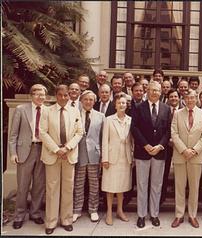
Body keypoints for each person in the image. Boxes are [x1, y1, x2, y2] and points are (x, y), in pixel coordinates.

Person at [40, 84, 83, 235]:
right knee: (52, 189)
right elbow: (42, 133)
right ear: (56, 95)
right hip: (52, 154)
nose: (64, 98)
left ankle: (66, 220)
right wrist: (57, 149)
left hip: (69, 154)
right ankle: (51, 222)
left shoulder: (75, 111)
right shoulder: (47, 111)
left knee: (68, 188)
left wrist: (67, 148)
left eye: (66, 95)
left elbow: (79, 132)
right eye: (61, 95)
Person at [131, 81, 171, 228]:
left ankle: (154, 214)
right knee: (142, 185)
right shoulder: (138, 107)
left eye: (158, 90)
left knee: (156, 185)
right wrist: (146, 145)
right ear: (147, 90)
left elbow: (168, 130)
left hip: (159, 153)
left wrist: (160, 145)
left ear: (161, 92)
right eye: (152, 90)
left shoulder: (167, 109)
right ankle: (141, 215)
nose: (155, 92)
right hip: (143, 152)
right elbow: (134, 128)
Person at [9, 84, 48, 230]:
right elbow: (13, 135)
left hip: (42, 150)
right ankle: (19, 215)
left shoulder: (48, 111)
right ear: (32, 95)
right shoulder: (21, 109)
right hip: (25, 151)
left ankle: (35, 213)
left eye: (43, 94)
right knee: (23, 186)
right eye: (37, 94)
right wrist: (13, 153)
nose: (40, 97)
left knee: (39, 185)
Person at [171, 89, 202, 228]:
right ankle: (179, 215)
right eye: (187, 98)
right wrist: (184, 150)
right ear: (184, 99)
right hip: (180, 156)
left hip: (196, 157)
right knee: (179, 187)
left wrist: (194, 150)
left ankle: (192, 215)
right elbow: (174, 134)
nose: (190, 100)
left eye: (192, 98)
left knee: (194, 188)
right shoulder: (177, 114)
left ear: (196, 99)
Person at [73, 90, 105, 223]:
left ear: (94, 101)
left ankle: (93, 210)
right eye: (85, 99)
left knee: (94, 184)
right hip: (79, 154)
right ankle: (76, 210)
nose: (88, 102)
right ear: (81, 100)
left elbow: (103, 137)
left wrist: (103, 156)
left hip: (94, 155)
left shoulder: (100, 116)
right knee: (78, 184)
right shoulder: (74, 115)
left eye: (91, 100)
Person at [101, 93, 133, 225]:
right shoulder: (108, 119)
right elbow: (105, 140)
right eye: (119, 103)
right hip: (111, 158)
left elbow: (132, 141)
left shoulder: (130, 120)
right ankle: (109, 212)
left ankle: (120, 210)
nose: (121, 105)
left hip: (125, 158)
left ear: (127, 105)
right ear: (115, 105)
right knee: (110, 187)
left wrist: (132, 156)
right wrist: (105, 158)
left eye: (124, 103)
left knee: (121, 186)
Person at [160, 89, 183, 205]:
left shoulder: (184, 109)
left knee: (181, 174)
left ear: (179, 98)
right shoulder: (164, 110)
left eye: (175, 96)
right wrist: (168, 140)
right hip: (167, 145)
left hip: (181, 146)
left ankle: (180, 199)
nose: (174, 98)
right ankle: (162, 197)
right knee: (164, 172)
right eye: (171, 97)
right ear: (168, 98)